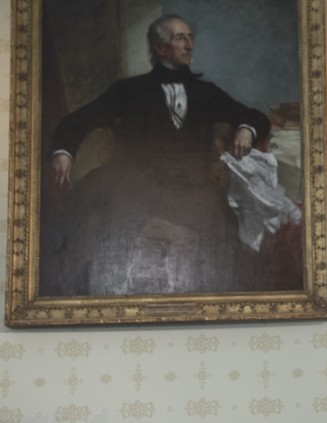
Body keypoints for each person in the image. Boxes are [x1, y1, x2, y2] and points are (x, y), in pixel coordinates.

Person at [41, 14, 278, 296]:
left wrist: (247, 129)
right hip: (131, 185)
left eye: (191, 38)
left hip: (190, 187)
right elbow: (77, 121)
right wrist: (63, 151)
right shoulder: (128, 91)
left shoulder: (206, 92)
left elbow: (254, 116)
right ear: (160, 48)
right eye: (181, 38)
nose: (189, 45)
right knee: (99, 230)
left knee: (223, 230)